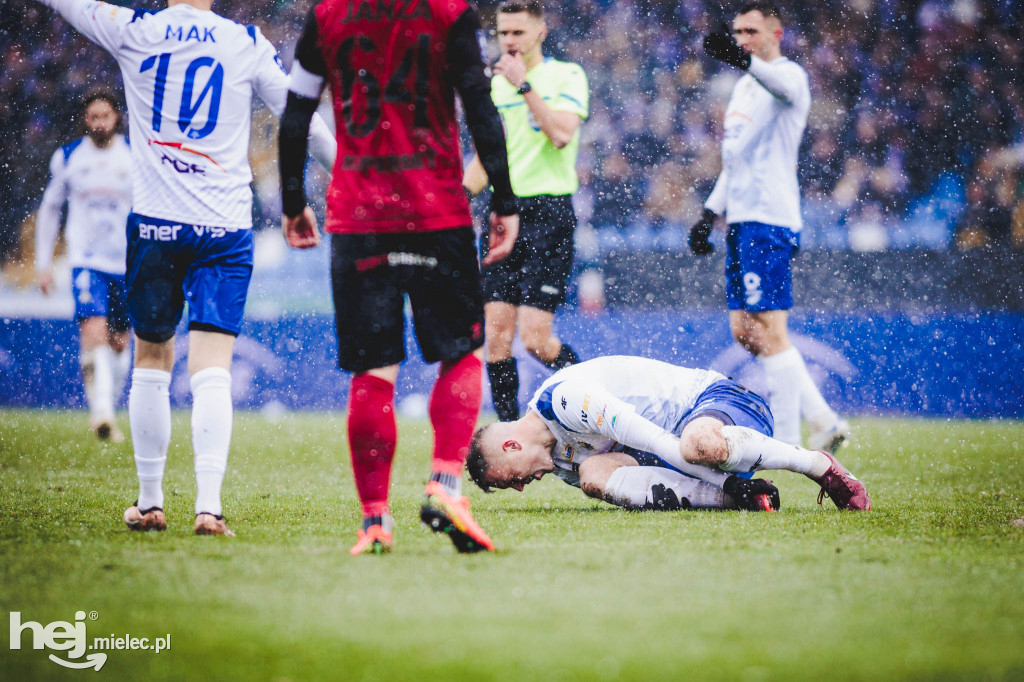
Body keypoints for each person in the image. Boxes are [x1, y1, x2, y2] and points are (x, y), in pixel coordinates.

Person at [34, 0, 336, 536]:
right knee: (212, 364)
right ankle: (209, 507)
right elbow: (301, 118)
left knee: (151, 357)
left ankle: (150, 502)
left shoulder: (135, 31)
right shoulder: (243, 42)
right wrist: (354, 176)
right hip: (224, 229)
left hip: (156, 227)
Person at [278, 0, 520, 555]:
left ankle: (374, 522)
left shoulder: (328, 14)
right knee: (462, 352)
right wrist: (503, 199)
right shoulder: (448, 11)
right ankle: (445, 485)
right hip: (436, 208)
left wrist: (293, 199)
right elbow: (481, 108)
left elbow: (296, 115)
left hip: (360, 217)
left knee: (373, 370)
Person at [690, 2, 850, 452]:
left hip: (770, 218)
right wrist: (709, 212)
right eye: (737, 32)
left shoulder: (789, 76)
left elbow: (779, 85)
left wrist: (745, 61)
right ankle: (822, 418)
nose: (742, 39)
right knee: (744, 330)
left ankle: (786, 443)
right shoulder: (743, 88)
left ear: (775, 34)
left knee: (770, 328)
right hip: (741, 219)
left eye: (751, 31)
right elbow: (735, 158)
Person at [467, 356, 871, 512]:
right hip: (690, 456)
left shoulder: (567, 400)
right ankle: (732, 501)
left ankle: (818, 464)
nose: (520, 488)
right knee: (595, 476)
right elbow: (654, 467)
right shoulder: (558, 463)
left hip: (719, 402)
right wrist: (732, 492)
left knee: (696, 445)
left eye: (509, 481)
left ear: (511, 444)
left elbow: (661, 444)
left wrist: (729, 479)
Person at [463, 0, 588, 422]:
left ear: (541, 32)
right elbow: (486, 158)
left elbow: (559, 134)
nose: (510, 41)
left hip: (549, 214)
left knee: (536, 339)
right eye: (503, 34)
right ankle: (507, 433)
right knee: (495, 337)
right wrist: (457, 194)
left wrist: (524, 85)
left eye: (518, 32)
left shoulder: (566, 75)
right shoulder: (492, 86)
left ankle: (594, 401)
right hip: (502, 212)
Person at [35, 88, 132, 442]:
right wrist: (43, 262)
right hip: (86, 261)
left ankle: (109, 406)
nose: (100, 123)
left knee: (120, 341)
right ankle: (102, 413)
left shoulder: (134, 156)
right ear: (85, 120)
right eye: (93, 117)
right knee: (93, 330)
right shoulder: (69, 157)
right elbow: (50, 208)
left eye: (105, 116)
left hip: (126, 262)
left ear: (116, 117)